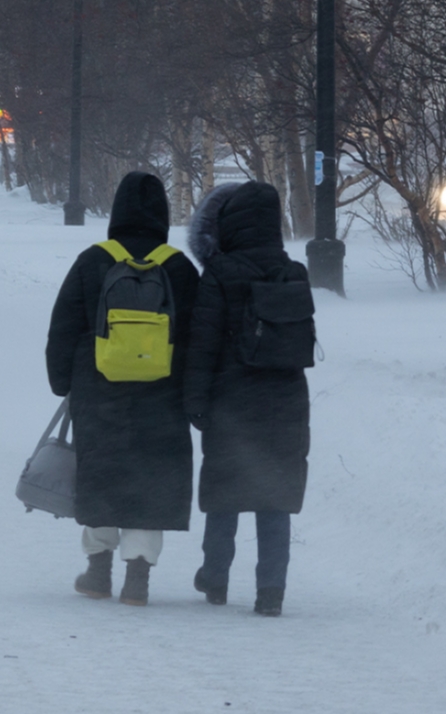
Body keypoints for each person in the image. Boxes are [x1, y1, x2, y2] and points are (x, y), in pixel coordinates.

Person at [45, 172, 198, 606]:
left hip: (99, 389)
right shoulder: (179, 267)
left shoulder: (94, 260)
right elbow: (198, 334)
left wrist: (62, 382)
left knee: (100, 474)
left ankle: (97, 573)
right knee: (153, 479)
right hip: (162, 394)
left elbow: (63, 325)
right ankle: (138, 578)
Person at [184, 181, 311, 618]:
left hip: (231, 400)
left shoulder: (219, 274)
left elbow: (203, 343)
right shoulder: (293, 272)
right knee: (275, 499)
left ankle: (215, 578)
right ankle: (271, 590)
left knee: (225, 494)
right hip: (286, 403)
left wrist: (195, 401)